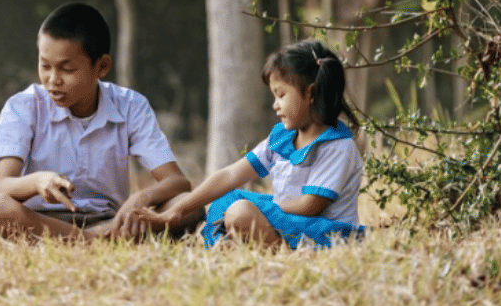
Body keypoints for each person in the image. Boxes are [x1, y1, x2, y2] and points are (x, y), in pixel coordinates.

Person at [0, 2, 201, 240]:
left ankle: (88, 238)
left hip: (111, 220)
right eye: (45, 66)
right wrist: (37, 182)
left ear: (102, 66)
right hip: (42, 221)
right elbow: (0, 187)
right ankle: (91, 240)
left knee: (189, 205)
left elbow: (177, 181)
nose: (53, 80)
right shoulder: (23, 107)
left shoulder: (130, 106)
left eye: (67, 69)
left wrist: (140, 198)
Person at [131, 40, 365, 248]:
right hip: (286, 219)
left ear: (311, 94)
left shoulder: (337, 146)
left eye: (281, 95)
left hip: (325, 233)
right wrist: (176, 211)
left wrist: (257, 209)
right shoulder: (283, 138)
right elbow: (231, 174)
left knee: (240, 211)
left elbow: (309, 207)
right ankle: (240, 243)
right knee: (224, 202)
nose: (275, 105)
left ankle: (272, 249)